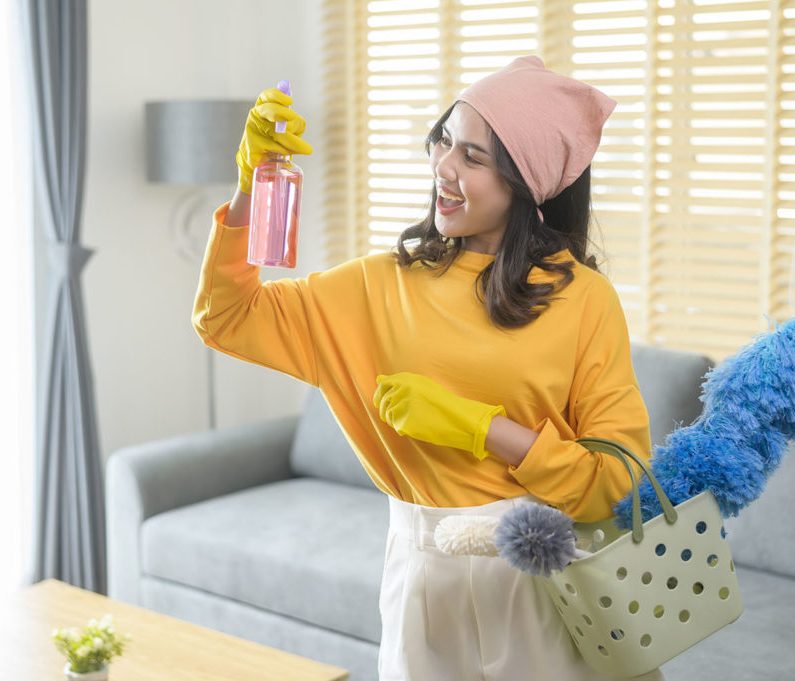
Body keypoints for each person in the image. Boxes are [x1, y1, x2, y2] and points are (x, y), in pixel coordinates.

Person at [192, 55, 663, 681]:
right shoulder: (377, 286)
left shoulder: (582, 298)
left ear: (526, 183)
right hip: (422, 588)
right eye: (444, 141)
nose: (443, 167)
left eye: (473, 157)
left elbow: (617, 483)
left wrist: (481, 428)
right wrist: (252, 183)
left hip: (546, 592)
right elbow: (226, 316)